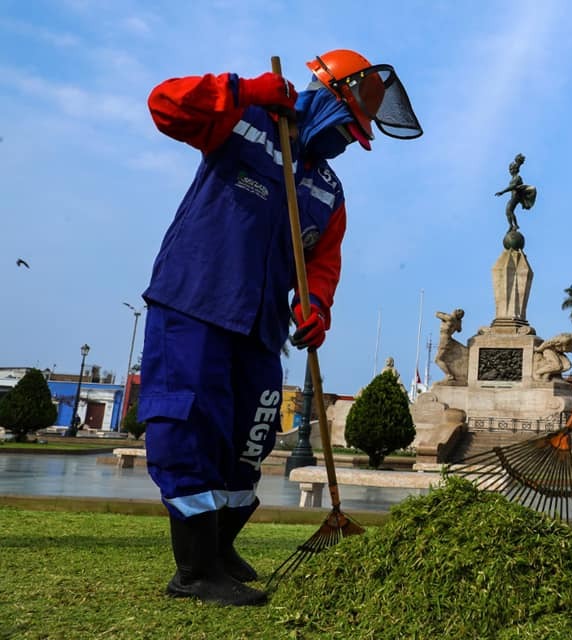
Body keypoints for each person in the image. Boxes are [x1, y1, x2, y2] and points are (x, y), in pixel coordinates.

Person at [138, 49, 422, 606]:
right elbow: (165, 105)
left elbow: (323, 263)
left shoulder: (328, 190)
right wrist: (243, 90)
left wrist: (315, 305)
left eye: (356, 138)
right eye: (347, 128)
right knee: (190, 428)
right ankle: (193, 571)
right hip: (195, 305)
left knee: (252, 437)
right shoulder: (246, 123)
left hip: (261, 328)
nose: (347, 143)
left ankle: (219, 548)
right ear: (322, 99)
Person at [495, 153, 536, 232]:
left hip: (516, 197)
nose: (510, 171)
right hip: (513, 197)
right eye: (509, 169)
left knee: (509, 210)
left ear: (514, 169)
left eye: (511, 169)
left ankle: (514, 225)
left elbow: (512, 187)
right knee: (508, 211)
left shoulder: (517, 178)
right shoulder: (513, 178)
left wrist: (502, 192)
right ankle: (512, 225)